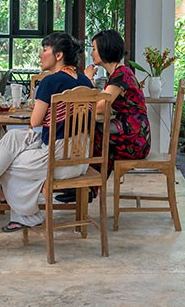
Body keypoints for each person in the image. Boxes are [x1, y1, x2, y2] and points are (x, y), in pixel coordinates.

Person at [0, 32, 93, 231]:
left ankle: (28, 215)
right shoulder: (85, 82)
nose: (40, 55)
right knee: (12, 137)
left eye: (44, 50)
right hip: (81, 157)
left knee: (4, 162)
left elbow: (35, 121)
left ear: (58, 55)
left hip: (58, 160)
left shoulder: (50, 82)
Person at [56, 30, 150, 203]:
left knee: (94, 135)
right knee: (95, 134)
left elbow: (100, 106)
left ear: (105, 49)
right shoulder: (117, 74)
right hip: (130, 131)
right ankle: (85, 187)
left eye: (94, 49)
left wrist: (88, 79)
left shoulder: (121, 75)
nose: (91, 53)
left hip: (135, 138)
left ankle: (84, 186)